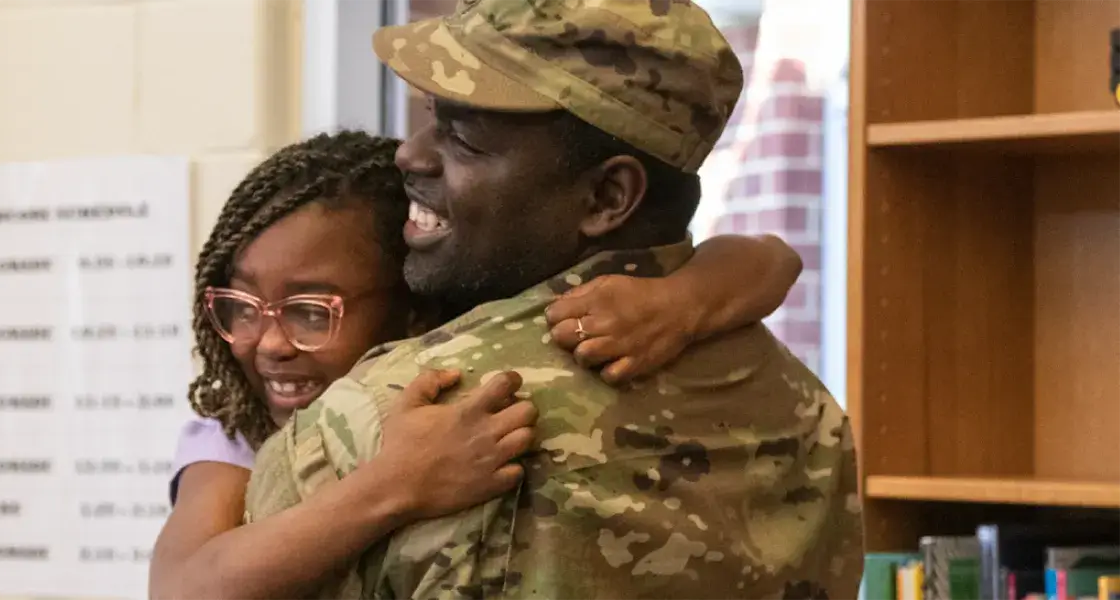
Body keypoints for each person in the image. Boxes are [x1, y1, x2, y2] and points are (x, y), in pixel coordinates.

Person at [244, 1, 864, 599]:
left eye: (464, 139)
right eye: (432, 116)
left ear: (606, 198)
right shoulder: (811, 416)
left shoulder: (392, 416)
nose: (411, 152)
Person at [150, 131, 805, 599]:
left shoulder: (471, 359)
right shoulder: (232, 429)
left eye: (310, 312)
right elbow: (183, 588)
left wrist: (678, 303)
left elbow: (771, 262)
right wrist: (394, 484)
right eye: (239, 305)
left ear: (415, 309)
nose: (267, 343)